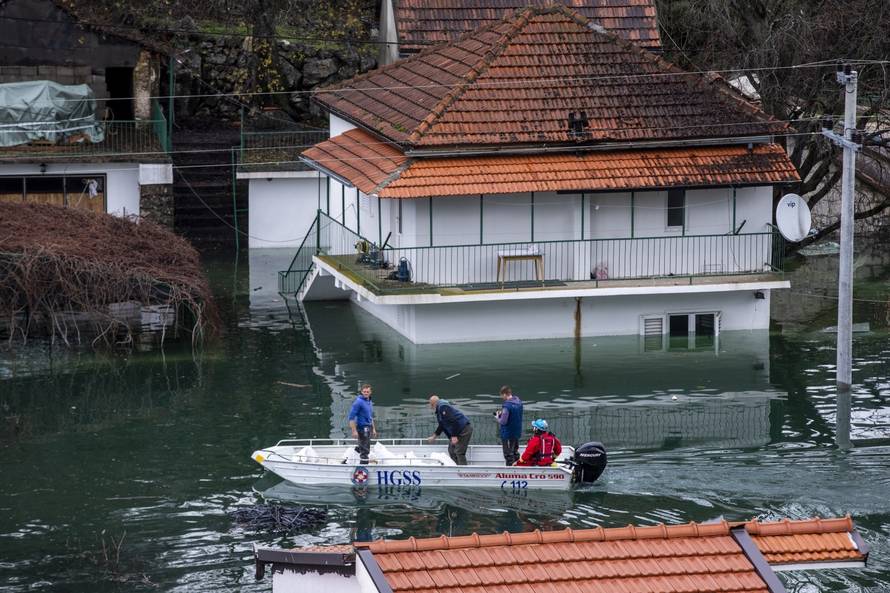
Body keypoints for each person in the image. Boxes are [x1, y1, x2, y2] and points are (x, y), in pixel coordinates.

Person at [426, 395, 473, 465]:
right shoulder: (440, 410)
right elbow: (442, 425)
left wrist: (454, 436)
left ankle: (463, 471)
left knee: (459, 452)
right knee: (451, 450)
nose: (430, 407)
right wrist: (434, 436)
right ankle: (456, 467)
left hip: (464, 429)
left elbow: (454, 421)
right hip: (457, 430)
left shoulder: (443, 407)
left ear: (434, 403)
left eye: (431, 405)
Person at [348, 384, 377, 464]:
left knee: (365, 444)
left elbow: (370, 416)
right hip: (361, 428)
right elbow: (351, 417)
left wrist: (373, 428)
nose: (366, 393)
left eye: (367, 392)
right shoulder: (358, 402)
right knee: (365, 450)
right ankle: (363, 467)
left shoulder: (369, 401)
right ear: (361, 392)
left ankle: (355, 453)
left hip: (368, 427)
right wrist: (354, 431)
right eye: (364, 392)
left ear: (370, 392)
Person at [494, 385, 523, 465]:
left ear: (504, 394)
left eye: (501, 395)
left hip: (507, 434)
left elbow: (503, 422)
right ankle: (518, 468)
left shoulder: (507, 406)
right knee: (515, 452)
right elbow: (514, 415)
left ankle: (510, 472)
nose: (501, 397)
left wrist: (497, 417)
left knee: (508, 455)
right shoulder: (519, 402)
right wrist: (502, 414)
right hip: (516, 432)